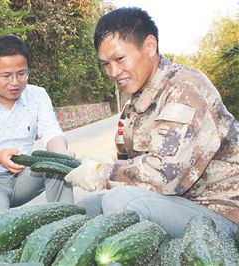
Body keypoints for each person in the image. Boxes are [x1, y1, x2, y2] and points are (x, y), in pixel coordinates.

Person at [64, 7, 238, 237]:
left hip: (220, 213)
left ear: (149, 46)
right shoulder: (136, 101)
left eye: (119, 59)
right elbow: (131, 164)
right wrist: (98, 166)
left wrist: (101, 172)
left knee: (122, 203)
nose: (113, 72)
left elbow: (166, 175)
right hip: (179, 203)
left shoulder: (184, 87)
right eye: (105, 64)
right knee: (87, 208)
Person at [0, 35, 74, 215]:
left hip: (26, 176)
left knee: (59, 164)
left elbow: (51, 130)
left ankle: (67, 222)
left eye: (22, 74)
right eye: (6, 75)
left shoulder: (38, 95)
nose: (15, 82)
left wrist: (61, 152)